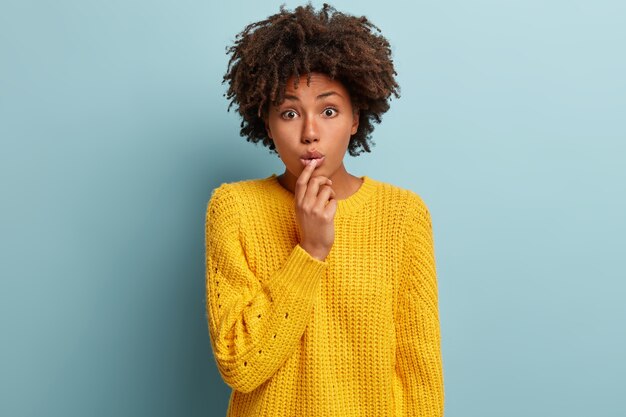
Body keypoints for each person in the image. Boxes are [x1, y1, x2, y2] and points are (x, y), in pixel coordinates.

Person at [205, 3, 444, 416]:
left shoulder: (403, 215)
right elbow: (239, 364)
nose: (310, 132)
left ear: (356, 118)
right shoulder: (234, 208)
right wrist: (311, 251)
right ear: (266, 121)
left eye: (329, 111)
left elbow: (419, 372)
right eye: (290, 112)